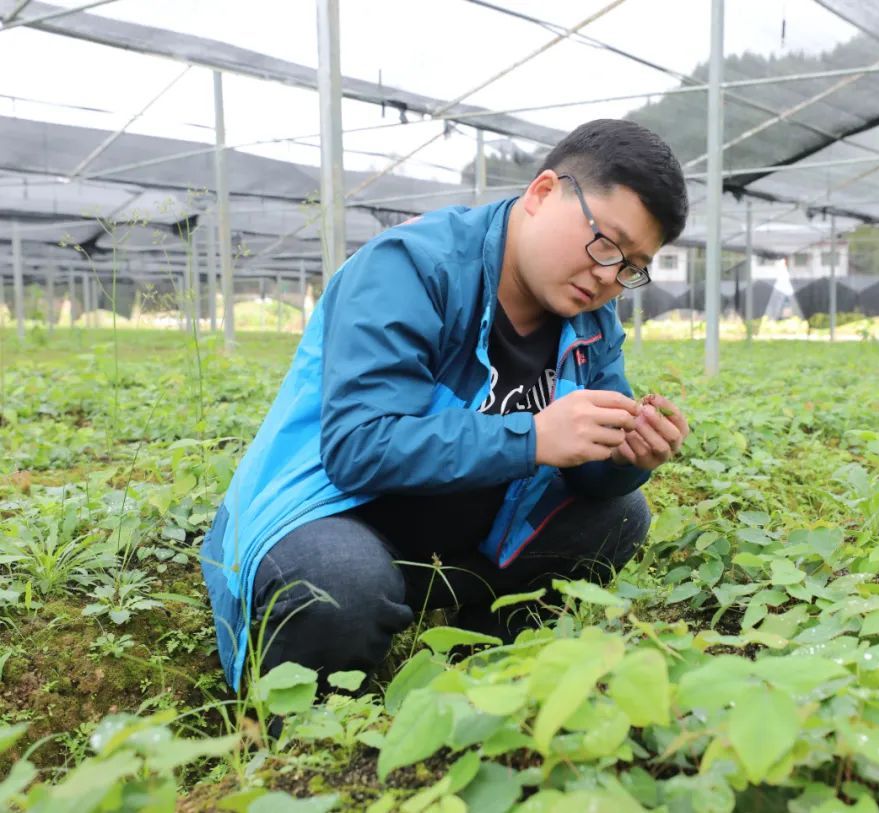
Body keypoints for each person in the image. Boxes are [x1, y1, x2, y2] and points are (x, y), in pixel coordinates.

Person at [200, 118, 691, 692]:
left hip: (457, 533)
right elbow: (359, 447)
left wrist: (625, 458)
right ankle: (310, 730)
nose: (609, 276)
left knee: (619, 515)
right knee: (340, 584)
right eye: (605, 243)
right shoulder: (411, 267)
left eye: (631, 267)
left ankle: (488, 670)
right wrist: (531, 437)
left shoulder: (590, 316)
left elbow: (589, 478)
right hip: (337, 514)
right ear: (541, 194)